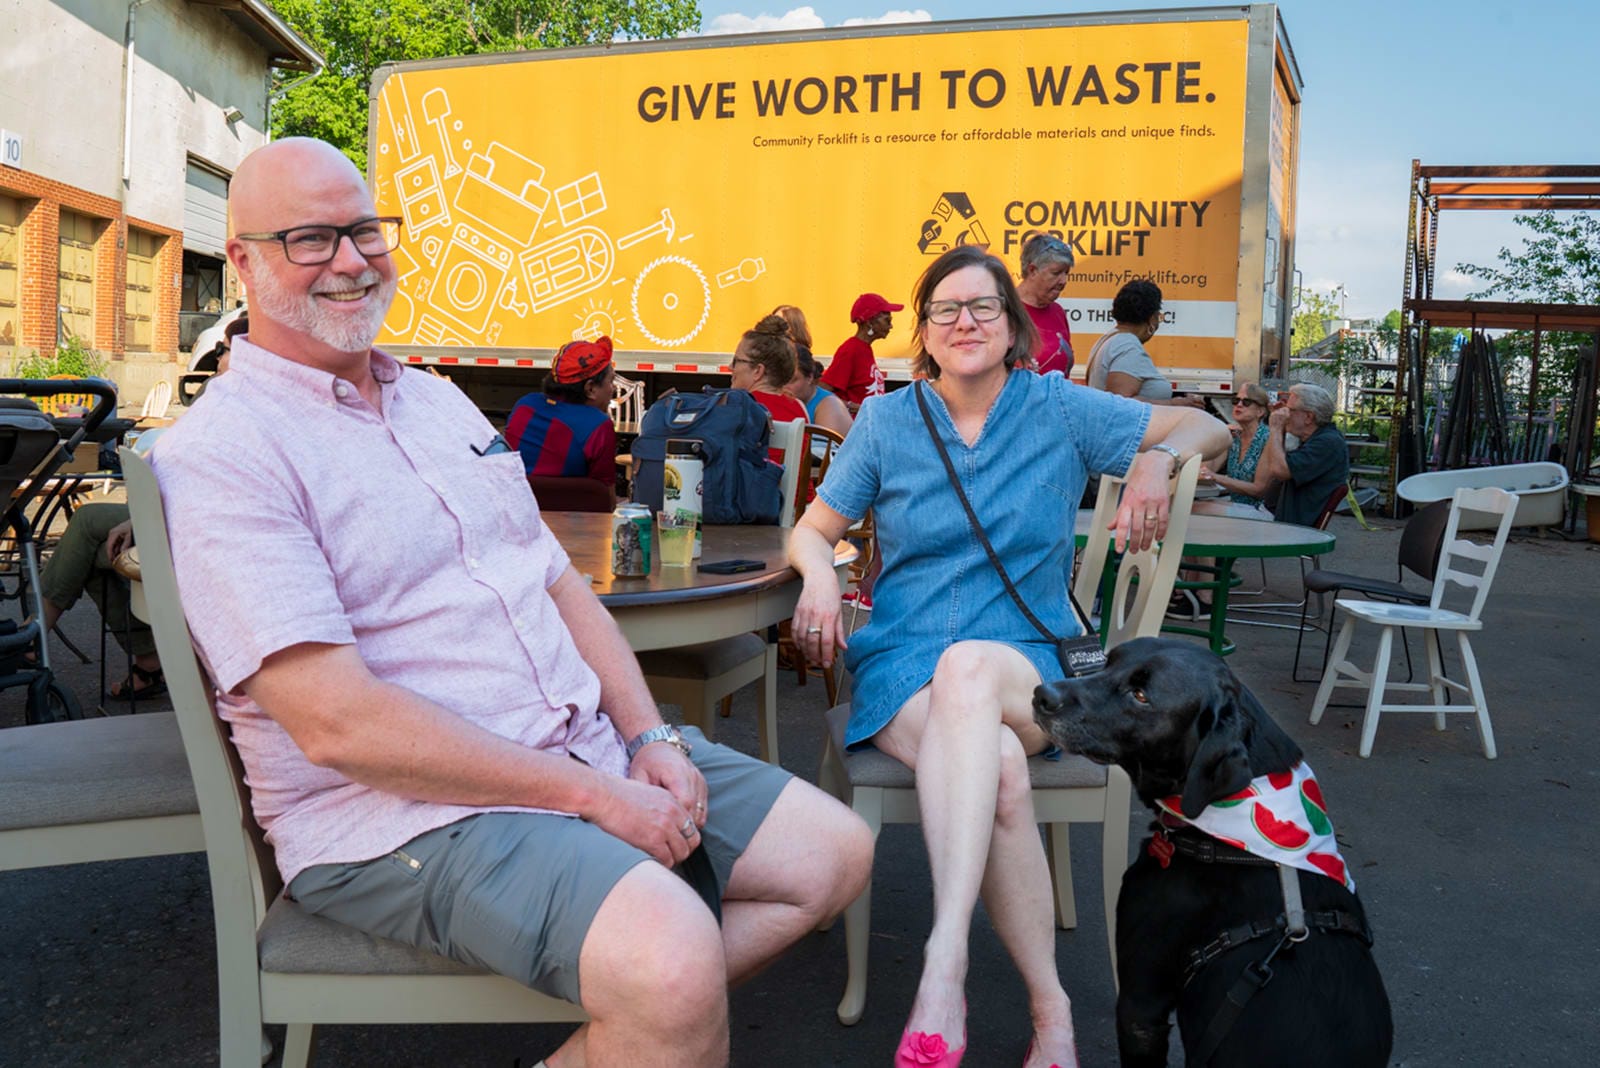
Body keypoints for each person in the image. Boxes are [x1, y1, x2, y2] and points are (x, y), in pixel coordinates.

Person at [150, 137, 873, 1068]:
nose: (351, 259)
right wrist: (598, 798)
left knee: (834, 856)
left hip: (576, 743)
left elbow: (556, 581)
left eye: (365, 230)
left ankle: (647, 1030)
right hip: (402, 816)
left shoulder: (437, 402)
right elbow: (337, 726)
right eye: (309, 238)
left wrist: (649, 737)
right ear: (243, 262)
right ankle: (659, 1015)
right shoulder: (225, 452)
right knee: (673, 965)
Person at [788, 245, 1228, 1068]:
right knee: (997, 767)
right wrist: (817, 577)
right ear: (925, 332)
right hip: (905, 663)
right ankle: (1052, 1015)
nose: (965, 322)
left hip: (1028, 663)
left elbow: (1212, 427)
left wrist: (1156, 460)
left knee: (971, 671)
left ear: (1013, 323)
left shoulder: (1059, 408)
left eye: (983, 306)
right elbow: (813, 531)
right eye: (945, 309)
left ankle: (943, 961)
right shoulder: (886, 422)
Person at [504, 336, 617, 484]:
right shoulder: (599, 425)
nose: (613, 389)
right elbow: (604, 492)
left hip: (515, 498)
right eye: (611, 381)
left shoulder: (525, 406)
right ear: (590, 389)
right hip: (571, 500)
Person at [1084, 279, 1206, 409]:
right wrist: (1173, 404)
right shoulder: (1127, 346)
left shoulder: (1111, 339)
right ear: (1152, 319)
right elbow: (1121, 403)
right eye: (1158, 317)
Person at [1260, 382, 1350, 526]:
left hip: (1292, 528)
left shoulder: (1328, 443)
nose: (1285, 415)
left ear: (1308, 417)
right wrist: (1280, 429)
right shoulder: (1316, 438)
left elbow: (1279, 470)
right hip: (1276, 517)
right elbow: (1280, 465)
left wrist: (1276, 428)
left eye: (1290, 410)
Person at [1197, 381, 1275, 518]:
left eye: (1246, 402)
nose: (1238, 405)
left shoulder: (1267, 438)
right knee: (1191, 506)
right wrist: (1219, 434)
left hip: (1260, 509)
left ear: (1260, 411)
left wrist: (1216, 477)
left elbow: (1259, 490)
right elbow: (1205, 470)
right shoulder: (1234, 437)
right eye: (1236, 400)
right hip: (1237, 504)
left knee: (1197, 509)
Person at [773, 304, 854, 436]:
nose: (782, 388)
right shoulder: (784, 400)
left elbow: (826, 448)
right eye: (777, 380)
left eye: (791, 380)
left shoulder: (829, 406)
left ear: (810, 377)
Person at [821, 291, 901, 412]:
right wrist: (851, 406)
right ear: (870, 322)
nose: (891, 326)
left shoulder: (864, 348)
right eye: (887, 320)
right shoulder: (850, 350)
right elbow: (822, 391)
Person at [1015, 233, 1076, 376]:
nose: (1063, 281)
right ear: (1032, 270)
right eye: (1056, 273)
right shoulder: (1006, 311)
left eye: (1066, 273)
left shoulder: (1058, 312)